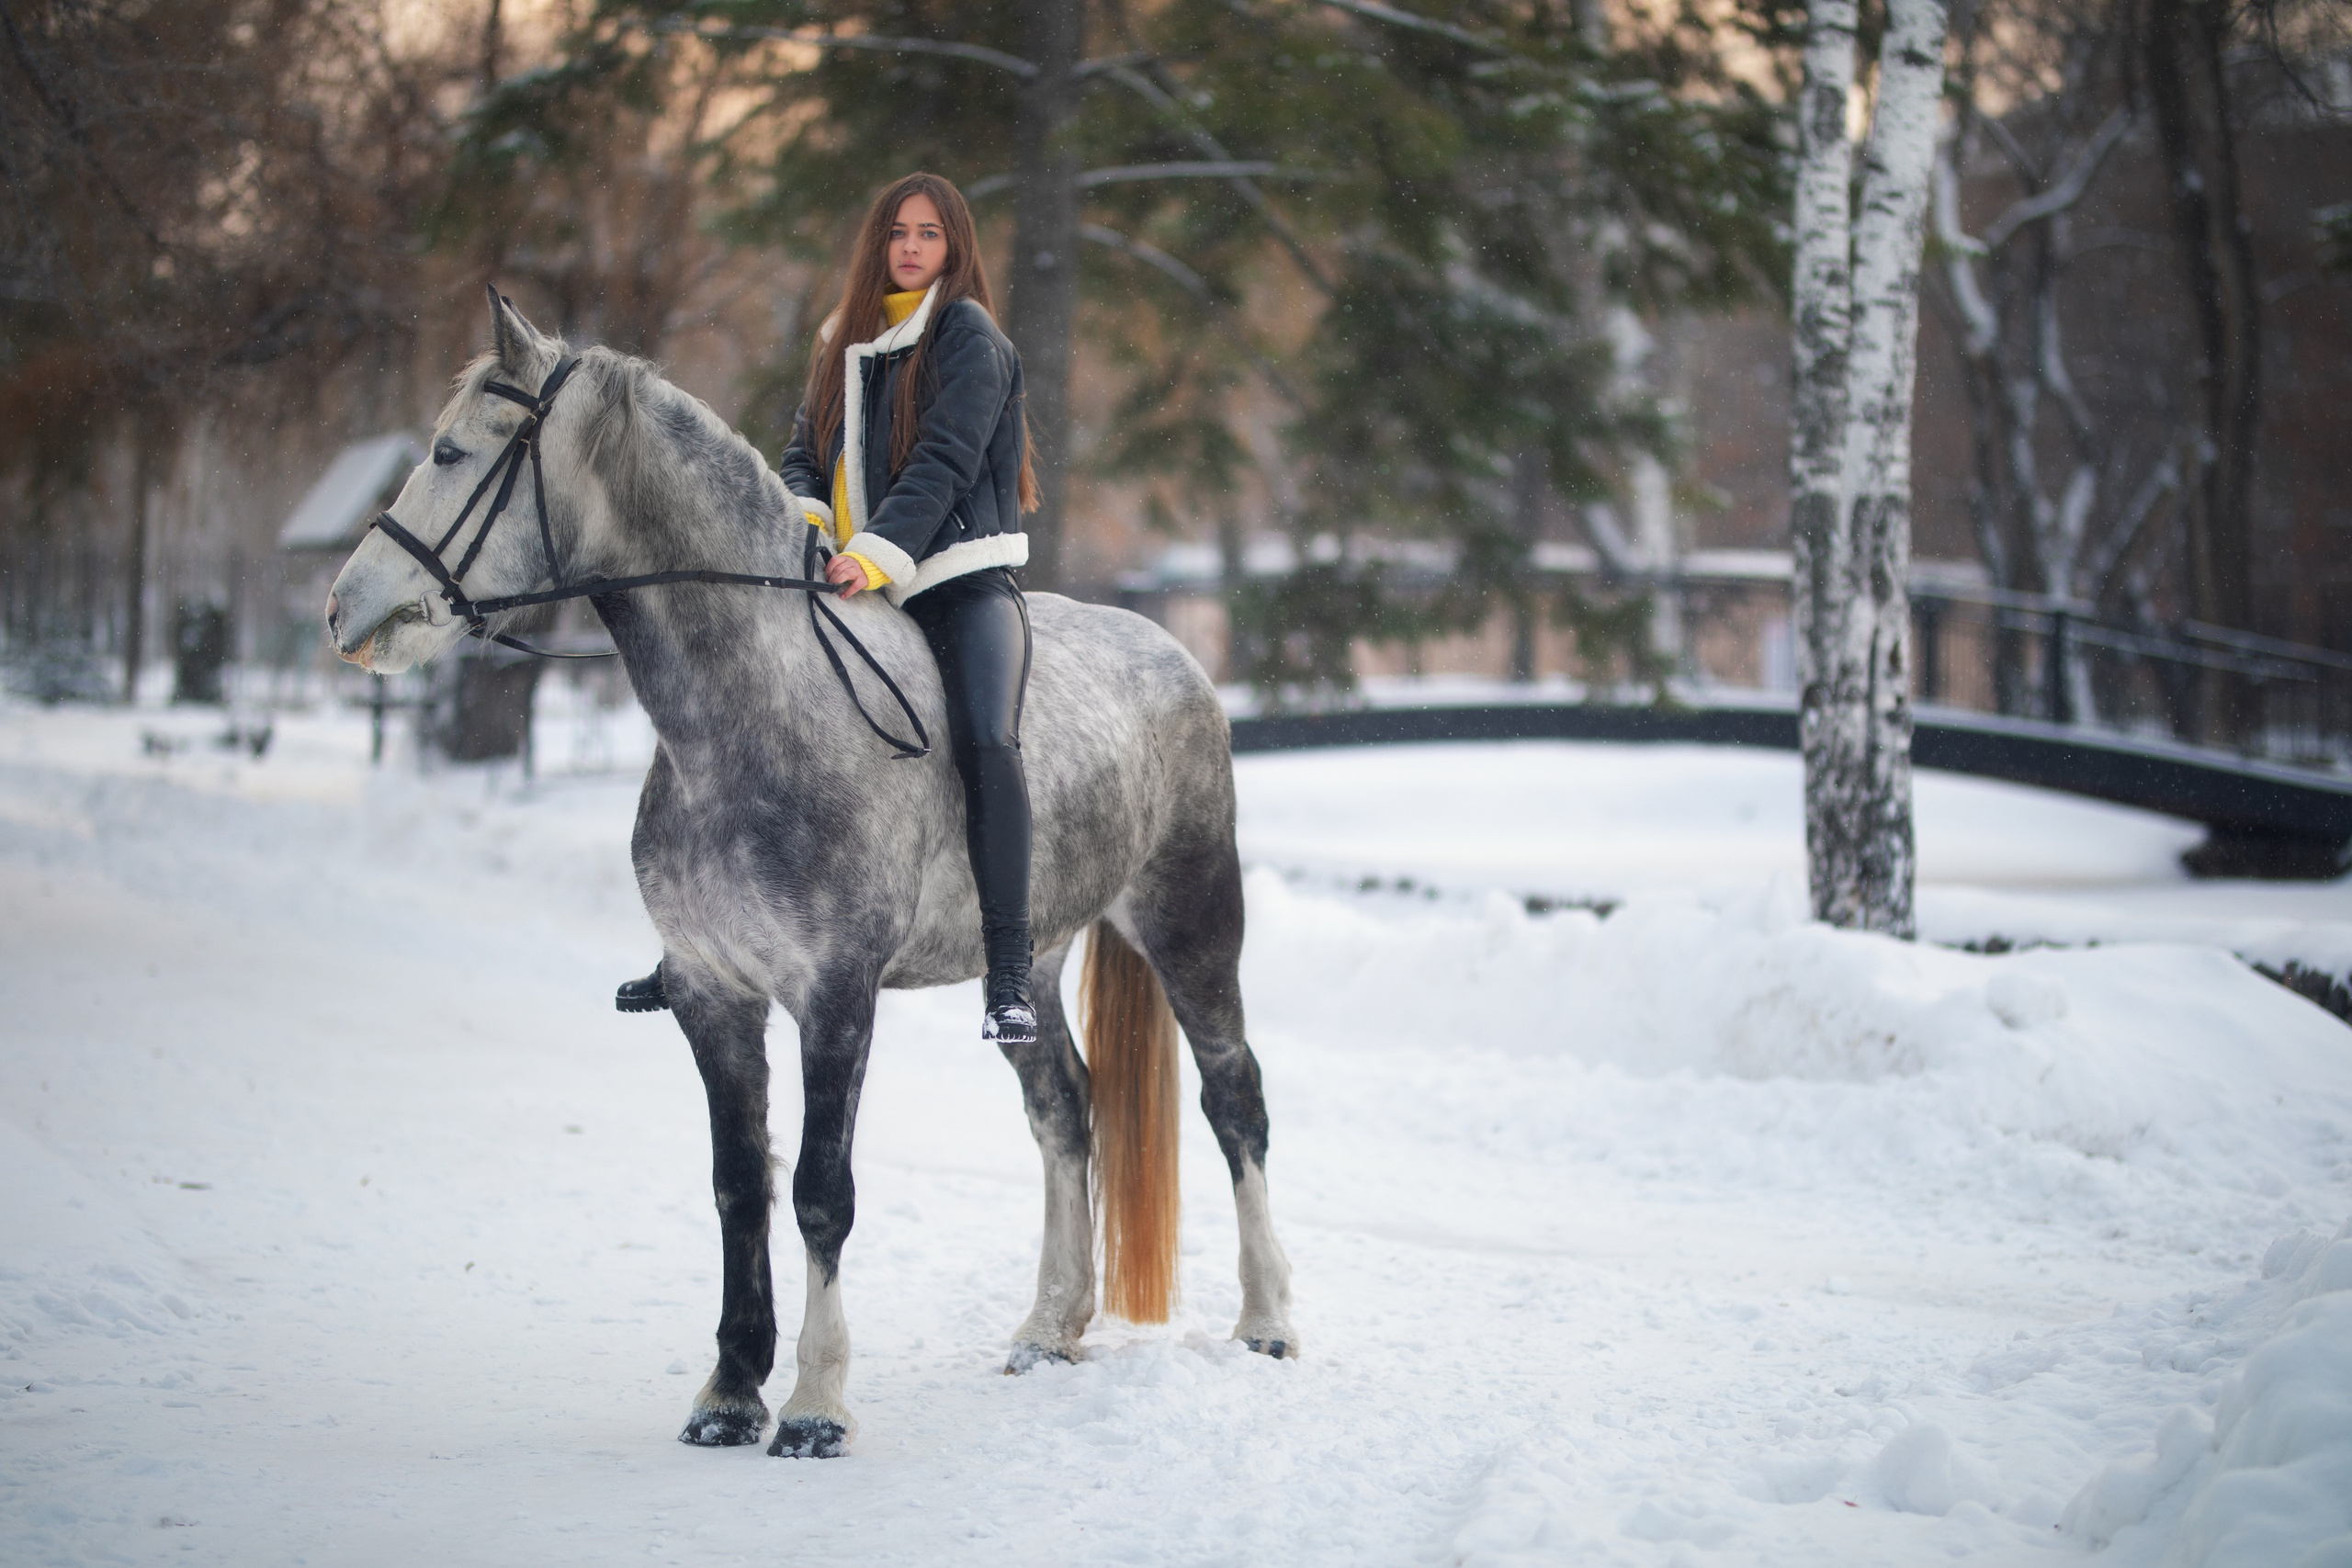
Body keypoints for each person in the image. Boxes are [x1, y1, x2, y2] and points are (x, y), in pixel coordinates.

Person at [617, 171, 1042, 1046]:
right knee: (734, 706)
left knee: (988, 741)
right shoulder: (845, 339)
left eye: (930, 233)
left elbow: (945, 462)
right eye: (898, 232)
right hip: (846, 572)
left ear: (955, 247)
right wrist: (808, 527)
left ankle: (1008, 967)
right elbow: (803, 453)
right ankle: (691, 940)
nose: (912, 246)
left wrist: (877, 552)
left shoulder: (972, 338)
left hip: (955, 578)